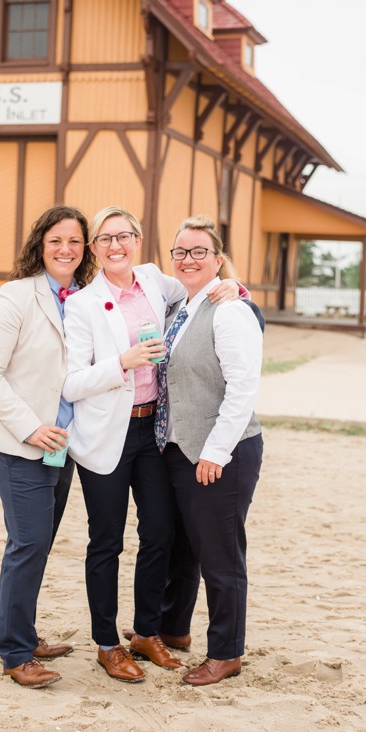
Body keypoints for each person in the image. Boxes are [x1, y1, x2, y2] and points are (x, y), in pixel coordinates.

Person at [61, 206, 241, 683]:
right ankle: (106, 643)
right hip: (107, 435)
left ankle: (145, 632)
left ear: (137, 240)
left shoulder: (157, 282)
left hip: (153, 432)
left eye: (123, 236)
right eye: (104, 239)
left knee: (160, 533)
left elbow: (207, 286)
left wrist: (235, 288)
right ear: (94, 248)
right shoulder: (81, 304)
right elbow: (72, 382)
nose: (114, 246)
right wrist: (123, 361)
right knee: (106, 540)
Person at [0, 205, 98, 688]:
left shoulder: (85, 298)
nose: (65, 250)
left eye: (74, 241)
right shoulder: (16, 296)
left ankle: (20, 630)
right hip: (18, 440)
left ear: (85, 248)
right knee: (27, 543)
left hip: (64, 445)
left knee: (37, 543)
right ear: (40, 247)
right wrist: (29, 427)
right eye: (55, 241)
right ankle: (15, 653)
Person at [155, 215, 263, 686]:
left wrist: (216, 452)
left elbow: (243, 387)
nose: (188, 259)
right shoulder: (180, 304)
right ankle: (174, 629)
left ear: (218, 260)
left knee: (220, 554)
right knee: (183, 548)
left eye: (199, 251)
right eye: (180, 251)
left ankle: (225, 653)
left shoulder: (229, 308)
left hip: (225, 451)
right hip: (179, 448)